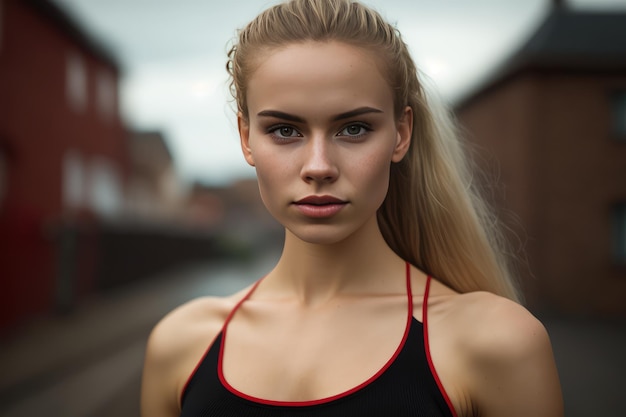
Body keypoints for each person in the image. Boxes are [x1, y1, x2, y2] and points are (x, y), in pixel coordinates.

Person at [140, 0, 564, 416]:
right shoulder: (182, 345)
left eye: (354, 128)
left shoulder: (495, 343)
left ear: (401, 134)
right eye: (284, 130)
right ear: (246, 137)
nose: (319, 167)